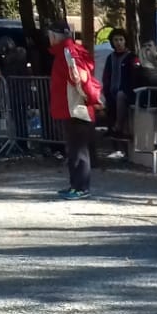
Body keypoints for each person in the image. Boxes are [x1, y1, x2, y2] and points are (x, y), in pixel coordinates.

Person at [47, 22, 103, 199]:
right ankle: (75, 185)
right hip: (72, 107)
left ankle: (81, 187)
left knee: (79, 150)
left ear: (54, 36)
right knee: (74, 149)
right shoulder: (69, 52)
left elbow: (80, 79)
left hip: (76, 108)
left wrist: (91, 99)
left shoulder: (67, 53)